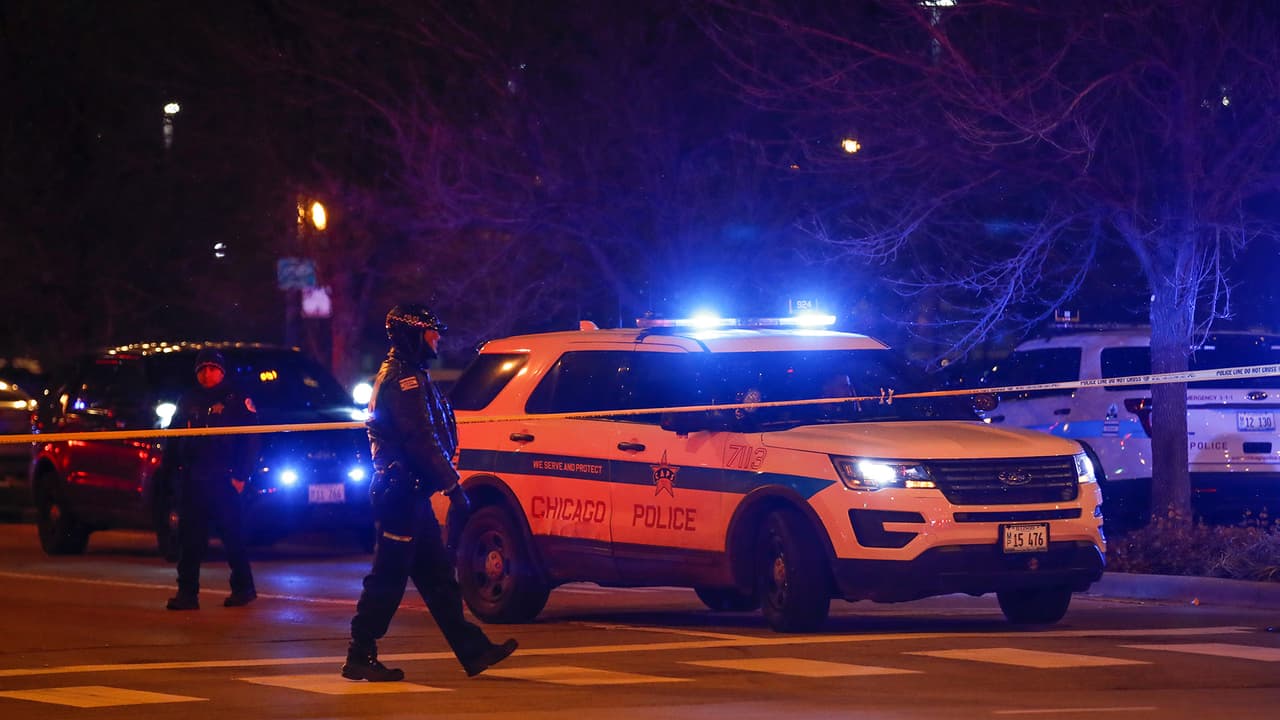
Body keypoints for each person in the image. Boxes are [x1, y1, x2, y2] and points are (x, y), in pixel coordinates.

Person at [342, 304, 517, 682]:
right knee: (388, 578)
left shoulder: (412, 373)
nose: (437, 339)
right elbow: (420, 438)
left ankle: (473, 650)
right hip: (399, 495)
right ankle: (360, 653)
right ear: (412, 335)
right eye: (430, 332)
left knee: (439, 578)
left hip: (412, 494)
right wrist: (452, 485)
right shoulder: (402, 380)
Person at [165, 348, 259, 610]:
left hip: (224, 477)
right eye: (202, 369)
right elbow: (173, 437)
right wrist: (172, 472)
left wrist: (241, 476)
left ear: (222, 371)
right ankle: (187, 593)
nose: (207, 374)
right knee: (189, 540)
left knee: (232, 537)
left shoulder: (236, 399)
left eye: (212, 369)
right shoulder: (187, 400)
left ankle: (243, 588)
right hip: (194, 477)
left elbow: (251, 441)